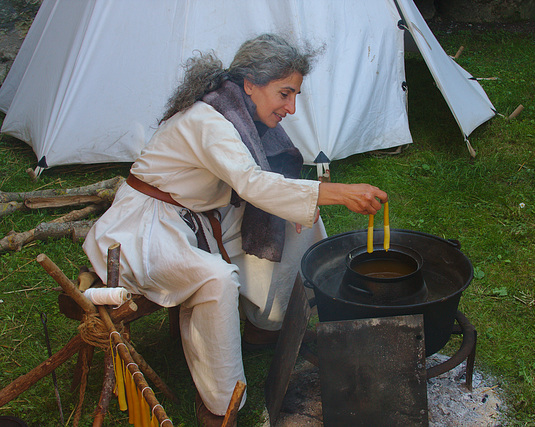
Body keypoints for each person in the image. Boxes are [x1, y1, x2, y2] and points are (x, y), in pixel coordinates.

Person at [82, 33, 387, 426]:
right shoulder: (208, 120)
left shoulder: (242, 114)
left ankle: (266, 325)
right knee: (216, 279)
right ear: (249, 84)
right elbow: (252, 183)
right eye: (285, 94)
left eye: (295, 95)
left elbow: (265, 182)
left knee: (299, 225)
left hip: (198, 218)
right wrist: (335, 191)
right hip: (146, 229)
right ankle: (220, 404)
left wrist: (301, 203)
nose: (291, 108)